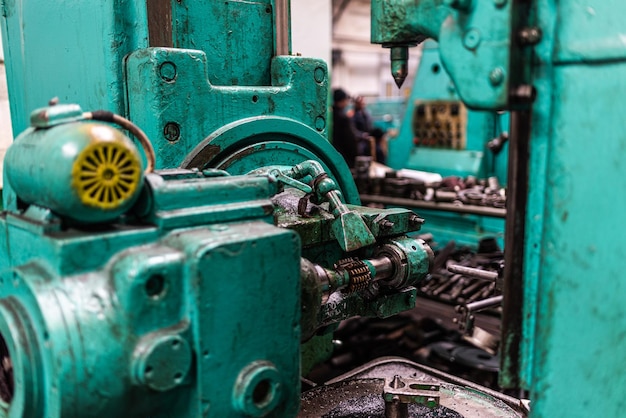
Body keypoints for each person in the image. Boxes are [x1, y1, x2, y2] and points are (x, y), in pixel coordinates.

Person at [332, 88, 358, 168]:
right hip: (345, 158)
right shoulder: (343, 119)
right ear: (341, 101)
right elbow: (350, 140)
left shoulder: (330, 115)